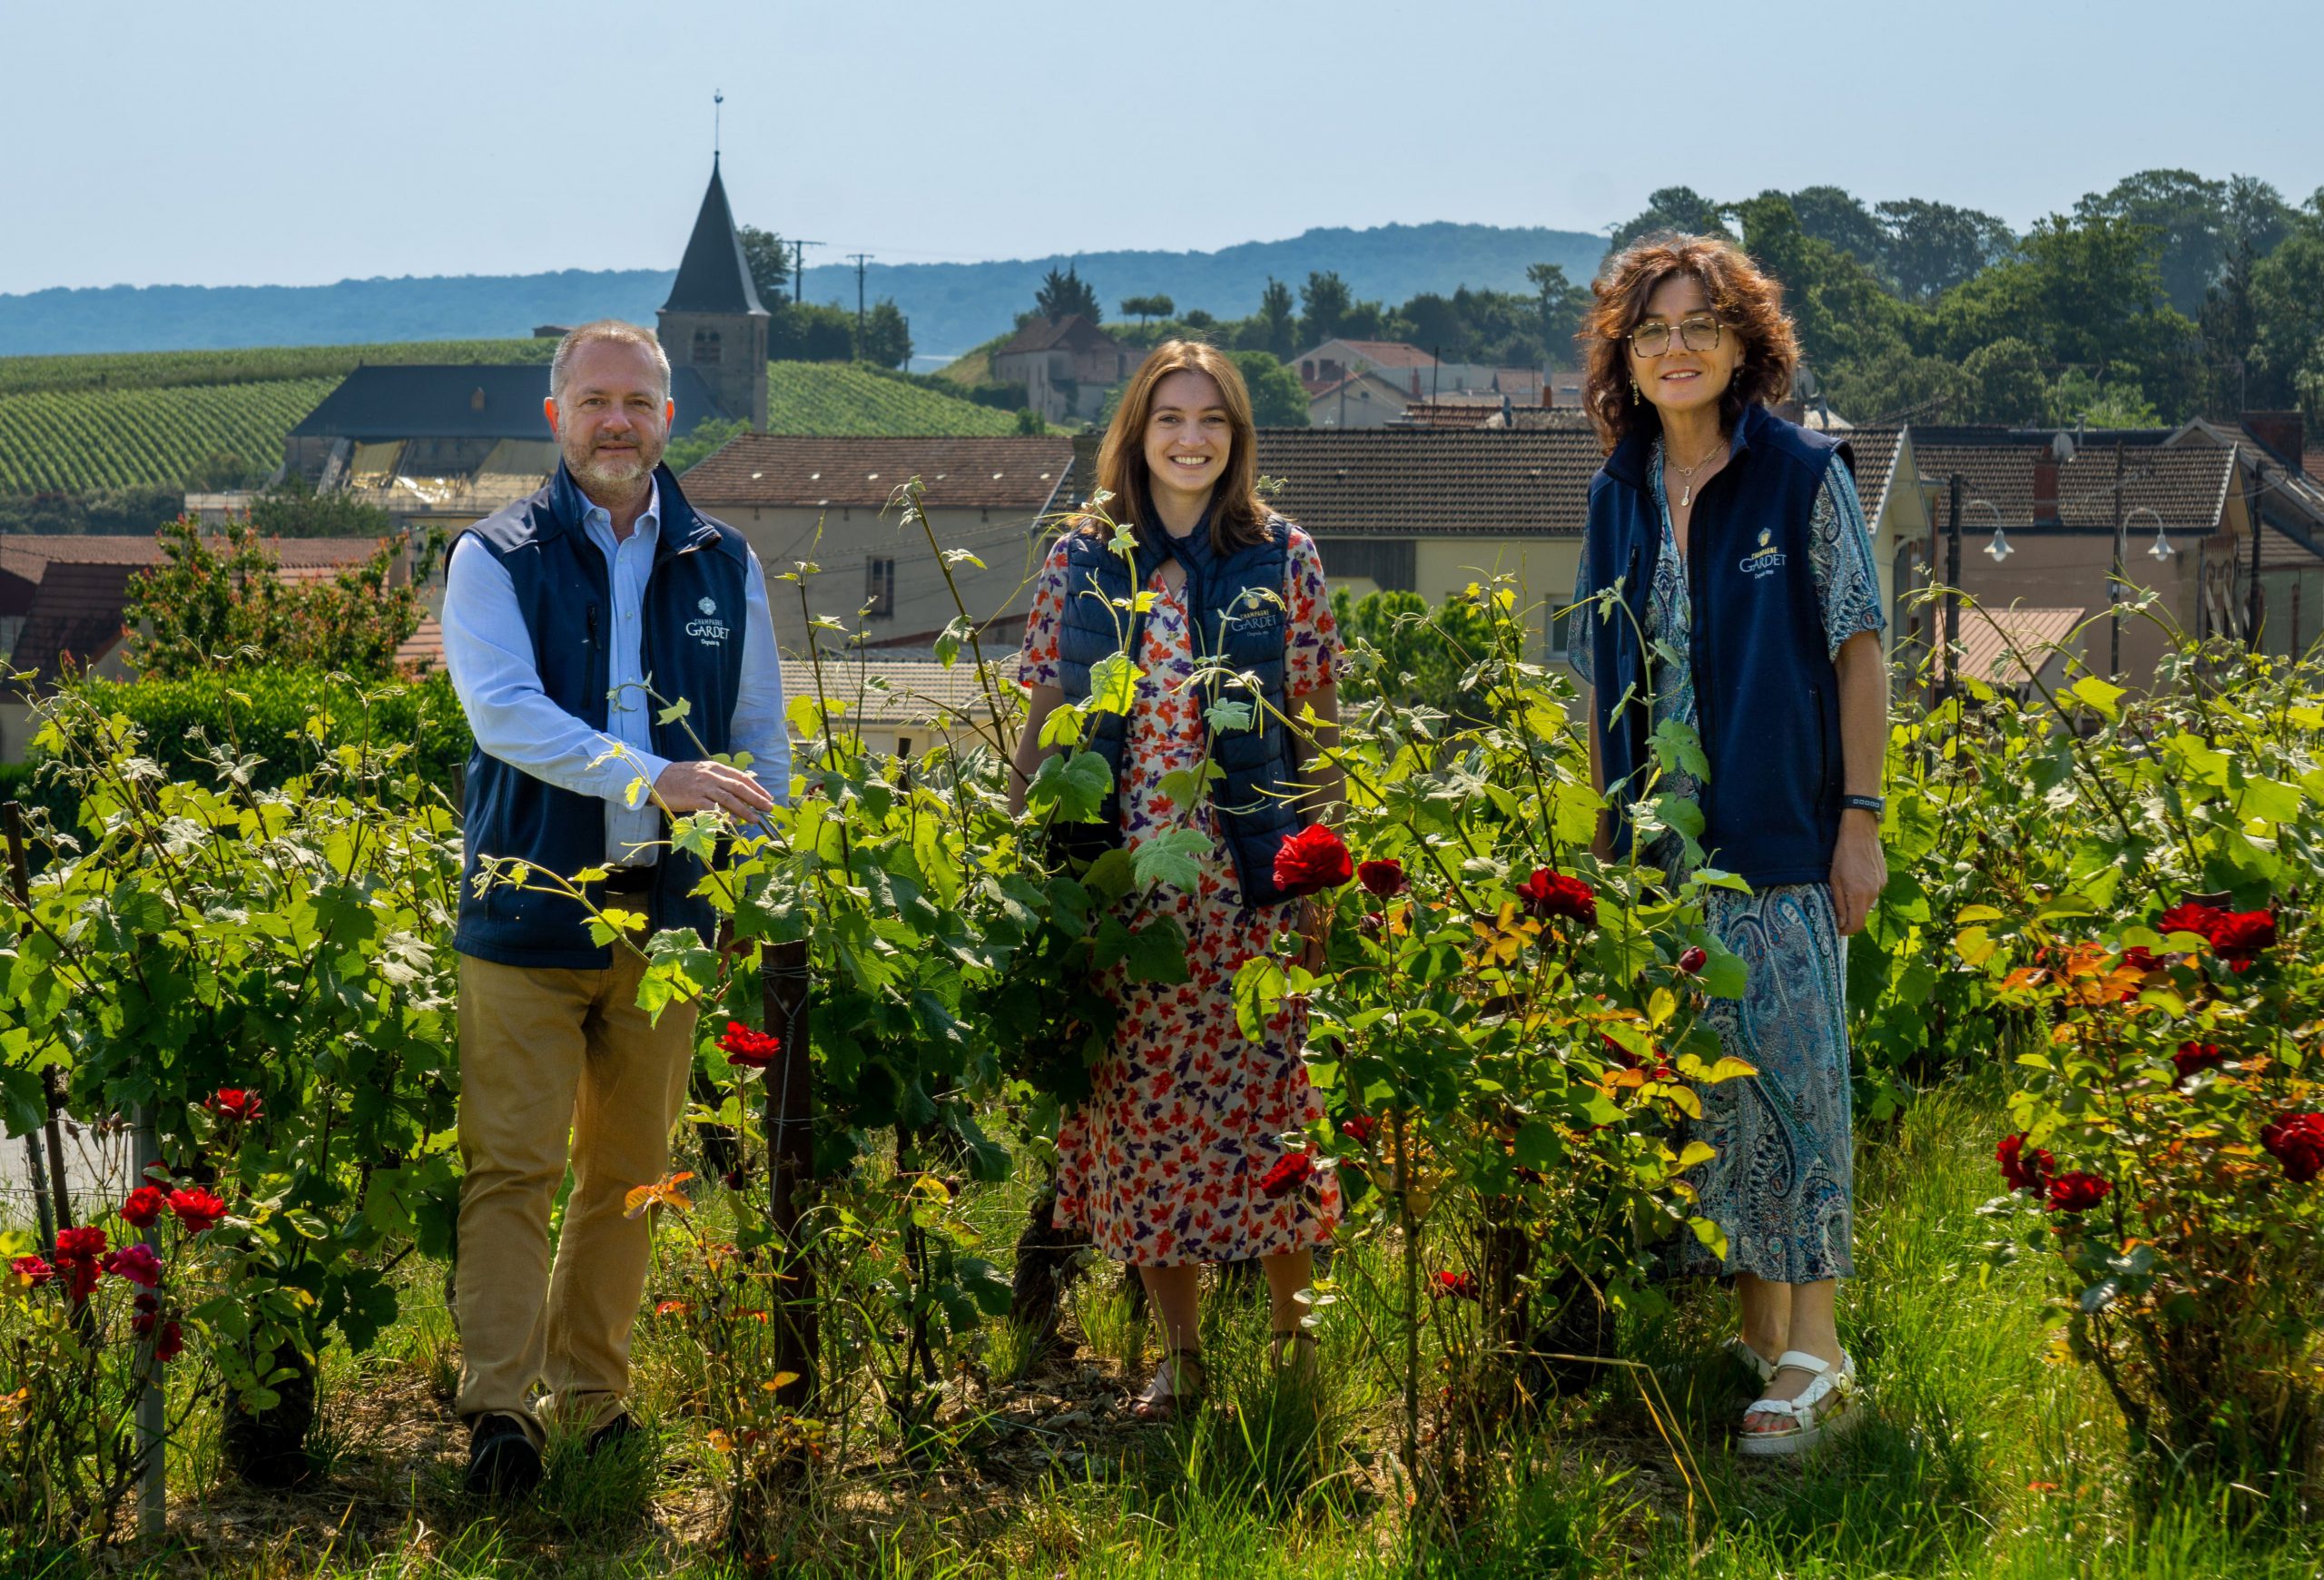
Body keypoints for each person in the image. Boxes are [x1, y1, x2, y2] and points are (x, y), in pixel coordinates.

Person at [440, 320, 788, 1495]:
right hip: (530, 911)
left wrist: (759, 861)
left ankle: (595, 1407)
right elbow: (504, 715)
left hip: (671, 926)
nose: (615, 421)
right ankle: (500, 1415)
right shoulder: (492, 557)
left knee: (631, 1172)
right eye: (593, 400)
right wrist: (655, 777)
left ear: (670, 417)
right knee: (513, 1169)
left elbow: (764, 746)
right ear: (556, 417)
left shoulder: (726, 564)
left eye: (637, 401)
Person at [1569, 237, 1888, 1456]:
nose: (1678, 347)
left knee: (1800, 1090)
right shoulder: (1617, 493)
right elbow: (1605, 682)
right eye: (1653, 331)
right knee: (1715, 1106)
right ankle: (1765, 1339)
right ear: (1627, 356)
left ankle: (1817, 1352)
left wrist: (1859, 823)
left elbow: (1860, 648)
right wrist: (1608, 845)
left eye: (1701, 324)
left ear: (1745, 342)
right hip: (1664, 855)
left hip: (1784, 839)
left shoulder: (1802, 475)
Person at [1009, 341, 1345, 1419]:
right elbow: (1042, 723)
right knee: (1145, 1132)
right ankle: (1183, 1358)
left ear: (1237, 437)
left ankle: (1300, 1352)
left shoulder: (1283, 557)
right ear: (1135, 435)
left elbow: (1318, 730)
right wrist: (1021, 866)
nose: (1191, 438)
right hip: (1122, 901)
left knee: (1270, 1121)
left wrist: (1320, 879)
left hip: (1248, 896)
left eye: (1211, 419)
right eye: (1169, 419)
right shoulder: (1084, 559)